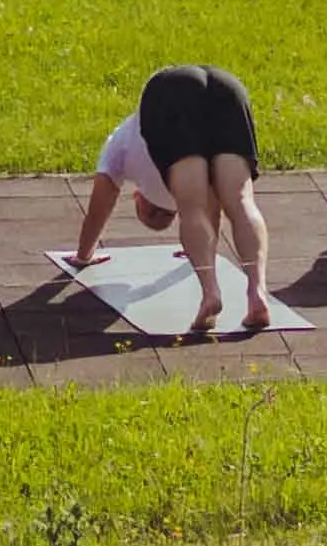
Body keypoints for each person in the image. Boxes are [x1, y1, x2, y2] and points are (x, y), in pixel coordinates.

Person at [58, 62, 270, 342]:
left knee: (192, 208)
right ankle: (257, 292)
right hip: (226, 86)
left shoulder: (125, 148)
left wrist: (84, 254)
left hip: (171, 90)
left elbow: (101, 204)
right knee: (242, 202)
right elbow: (214, 212)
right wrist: (202, 251)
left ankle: (211, 294)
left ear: (140, 200)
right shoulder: (126, 141)